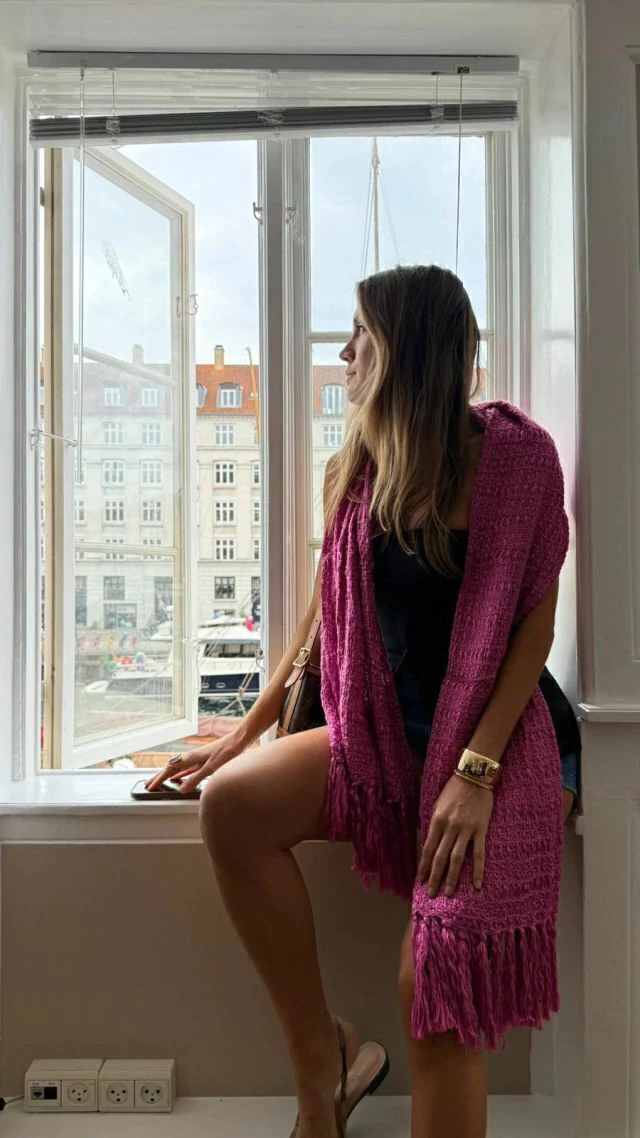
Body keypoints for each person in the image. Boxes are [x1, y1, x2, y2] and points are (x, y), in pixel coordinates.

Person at [146, 265, 580, 1138]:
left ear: (406, 350)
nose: (344, 353)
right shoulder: (360, 467)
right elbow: (321, 618)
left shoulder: (517, 460)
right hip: (385, 736)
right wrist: (244, 735)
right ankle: (326, 1061)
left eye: (360, 334)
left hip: (502, 741)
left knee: (432, 989)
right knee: (231, 807)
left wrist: (477, 774)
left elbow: (535, 625)